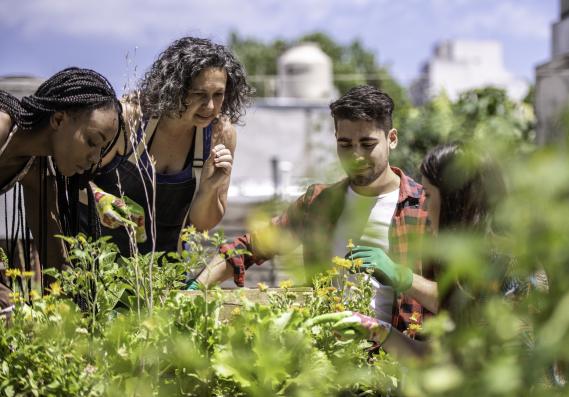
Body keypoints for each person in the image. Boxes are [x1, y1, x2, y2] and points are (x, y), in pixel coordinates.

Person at [192, 85, 437, 334]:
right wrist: (192, 290)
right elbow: (247, 248)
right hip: (331, 357)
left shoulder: (425, 207)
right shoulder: (318, 203)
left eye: (367, 144)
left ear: (392, 139)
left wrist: (402, 277)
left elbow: (458, 301)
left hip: (400, 361)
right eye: (345, 144)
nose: (356, 155)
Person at [309, 142, 535, 360]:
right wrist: (374, 329)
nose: (424, 207)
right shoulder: (468, 266)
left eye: (428, 194)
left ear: (453, 200)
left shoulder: (509, 266)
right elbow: (437, 357)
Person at [82, 37, 253, 256]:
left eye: (218, 95)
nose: (210, 106)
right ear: (174, 88)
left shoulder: (221, 134)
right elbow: (67, 177)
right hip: (96, 262)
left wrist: (211, 187)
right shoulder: (129, 119)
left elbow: (201, 226)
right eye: (199, 94)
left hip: (166, 274)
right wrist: (100, 198)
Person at [0, 67, 122, 312]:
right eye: (91, 142)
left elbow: (54, 258)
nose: (94, 158)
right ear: (58, 119)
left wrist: (73, 318)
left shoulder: (37, 167)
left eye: (101, 150)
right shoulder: (1, 126)